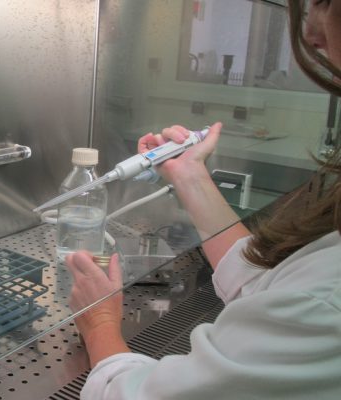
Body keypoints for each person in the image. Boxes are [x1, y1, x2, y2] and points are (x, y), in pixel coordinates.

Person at [65, 0, 341, 398]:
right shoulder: (319, 290)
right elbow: (270, 289)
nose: (311, 33)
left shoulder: (326, 303)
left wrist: (100, 325)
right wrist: (188, 174)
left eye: (324, 2)